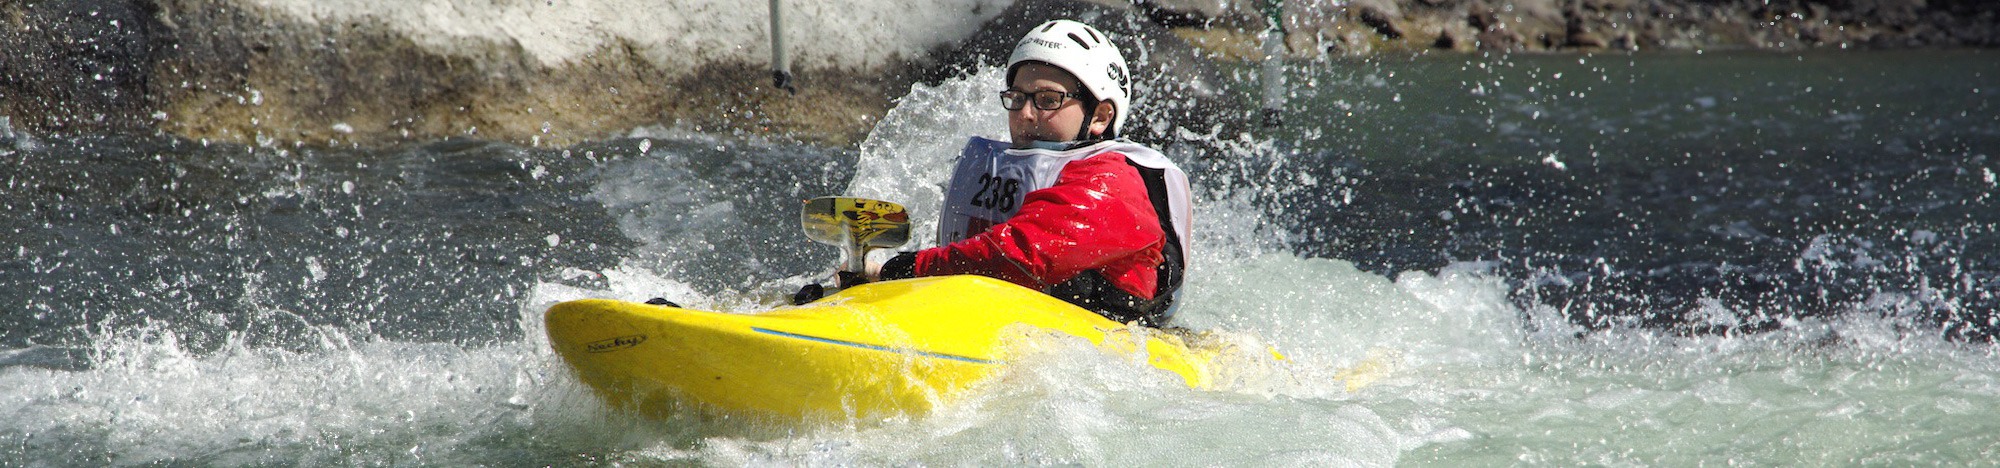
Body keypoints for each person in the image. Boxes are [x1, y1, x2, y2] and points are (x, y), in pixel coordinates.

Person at [870, 19, 1193, 327]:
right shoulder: (1007, 166)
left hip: (1110, 343)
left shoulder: (1113, 181)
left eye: (1048, 100)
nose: (1024, 113)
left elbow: (1023, 254)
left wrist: (897, 269)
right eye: (1017, 98)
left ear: (1100, 117)